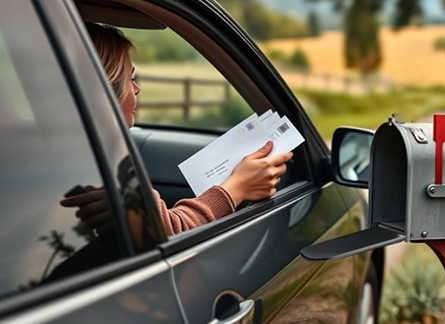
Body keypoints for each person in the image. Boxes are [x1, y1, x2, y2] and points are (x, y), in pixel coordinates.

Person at [60, 22, 293, 236]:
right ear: (105, 91)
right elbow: (172, 232)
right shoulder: (106, 176)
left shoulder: (67, 155)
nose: (137, 88)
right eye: (129, 79)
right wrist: (237, 188)